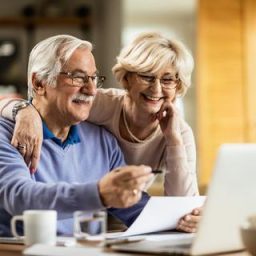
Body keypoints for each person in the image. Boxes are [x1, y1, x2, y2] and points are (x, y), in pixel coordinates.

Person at [0, 32, 201, 233]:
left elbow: (138, 209)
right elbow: (18, 197)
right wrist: (98, 193)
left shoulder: (103, 140)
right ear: (39, 83)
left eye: (94, 78)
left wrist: (185, 220)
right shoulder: (7, 132)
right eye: (78, 77)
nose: (91, 89)